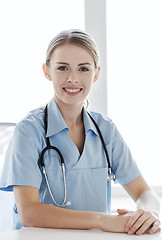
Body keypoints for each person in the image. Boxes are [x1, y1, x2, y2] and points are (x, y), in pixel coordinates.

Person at [0, 29, 160, 235]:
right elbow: (29, 213)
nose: (73, 78)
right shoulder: (29, 130)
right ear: (47, 71)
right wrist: (104, 220)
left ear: (96, 73)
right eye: (63, 68)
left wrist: (149, 213)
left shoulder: (106, 130)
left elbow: (144, 192)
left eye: (83, 69)